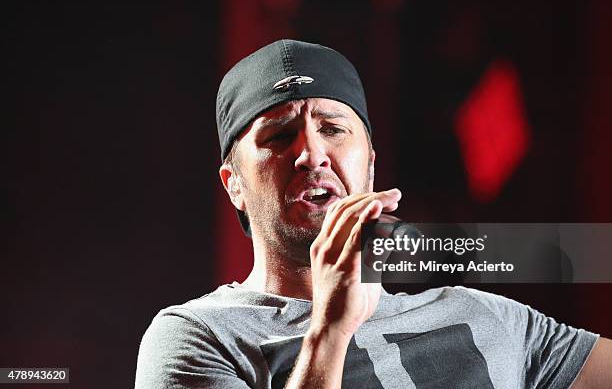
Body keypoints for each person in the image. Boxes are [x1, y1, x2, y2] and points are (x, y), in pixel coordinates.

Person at [135, 39, 611, 388]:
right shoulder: (199, 338)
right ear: (234, 184)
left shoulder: (489, 317)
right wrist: (329, 331)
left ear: (371, 165)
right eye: (279, 136)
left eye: (333, 128)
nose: (312, 154)